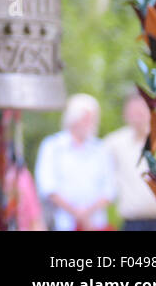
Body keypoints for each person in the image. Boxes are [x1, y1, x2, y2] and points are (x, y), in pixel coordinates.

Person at [103, 93, 156, 231]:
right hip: (134, 223)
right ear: (125, 114)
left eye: (142, 111)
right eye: (133, 111)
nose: (138, 116)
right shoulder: (114, 144)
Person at [34, 93, 116, 231]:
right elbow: (47, 186)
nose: (89, 124)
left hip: (94, 224)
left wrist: (87, 213)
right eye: (85, 118)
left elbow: (110, 188)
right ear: (73, 118)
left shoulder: (101, 149)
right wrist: (75, 212)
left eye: (92, 119)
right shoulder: (53, 146)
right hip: (61, 223)